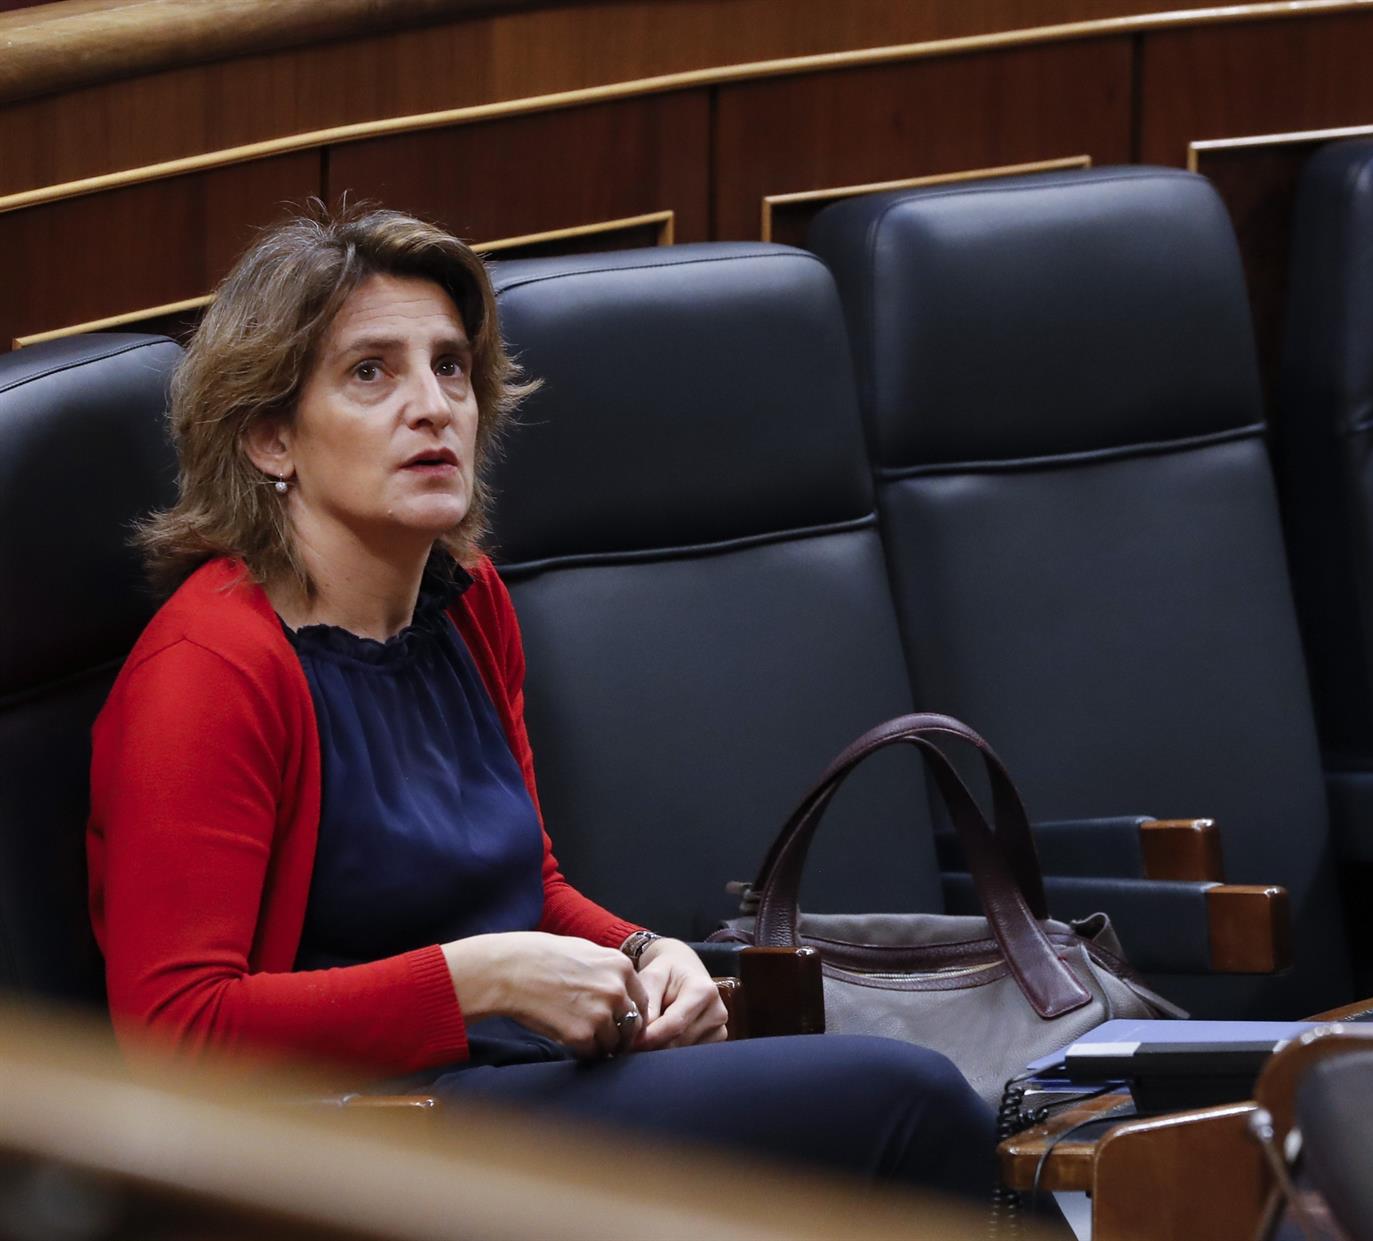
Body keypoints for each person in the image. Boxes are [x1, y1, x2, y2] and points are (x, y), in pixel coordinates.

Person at [87, 205, 995, 1195]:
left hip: (511, 1081)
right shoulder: (209, 667)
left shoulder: (467, 604)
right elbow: (177, 1034)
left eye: (450, 367)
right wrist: (479, 978)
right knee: (912, 1101)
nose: (433, 405)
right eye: (370, 372)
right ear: (271, 438)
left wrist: (644, 952)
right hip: (355, 1142)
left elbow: (532, 886)